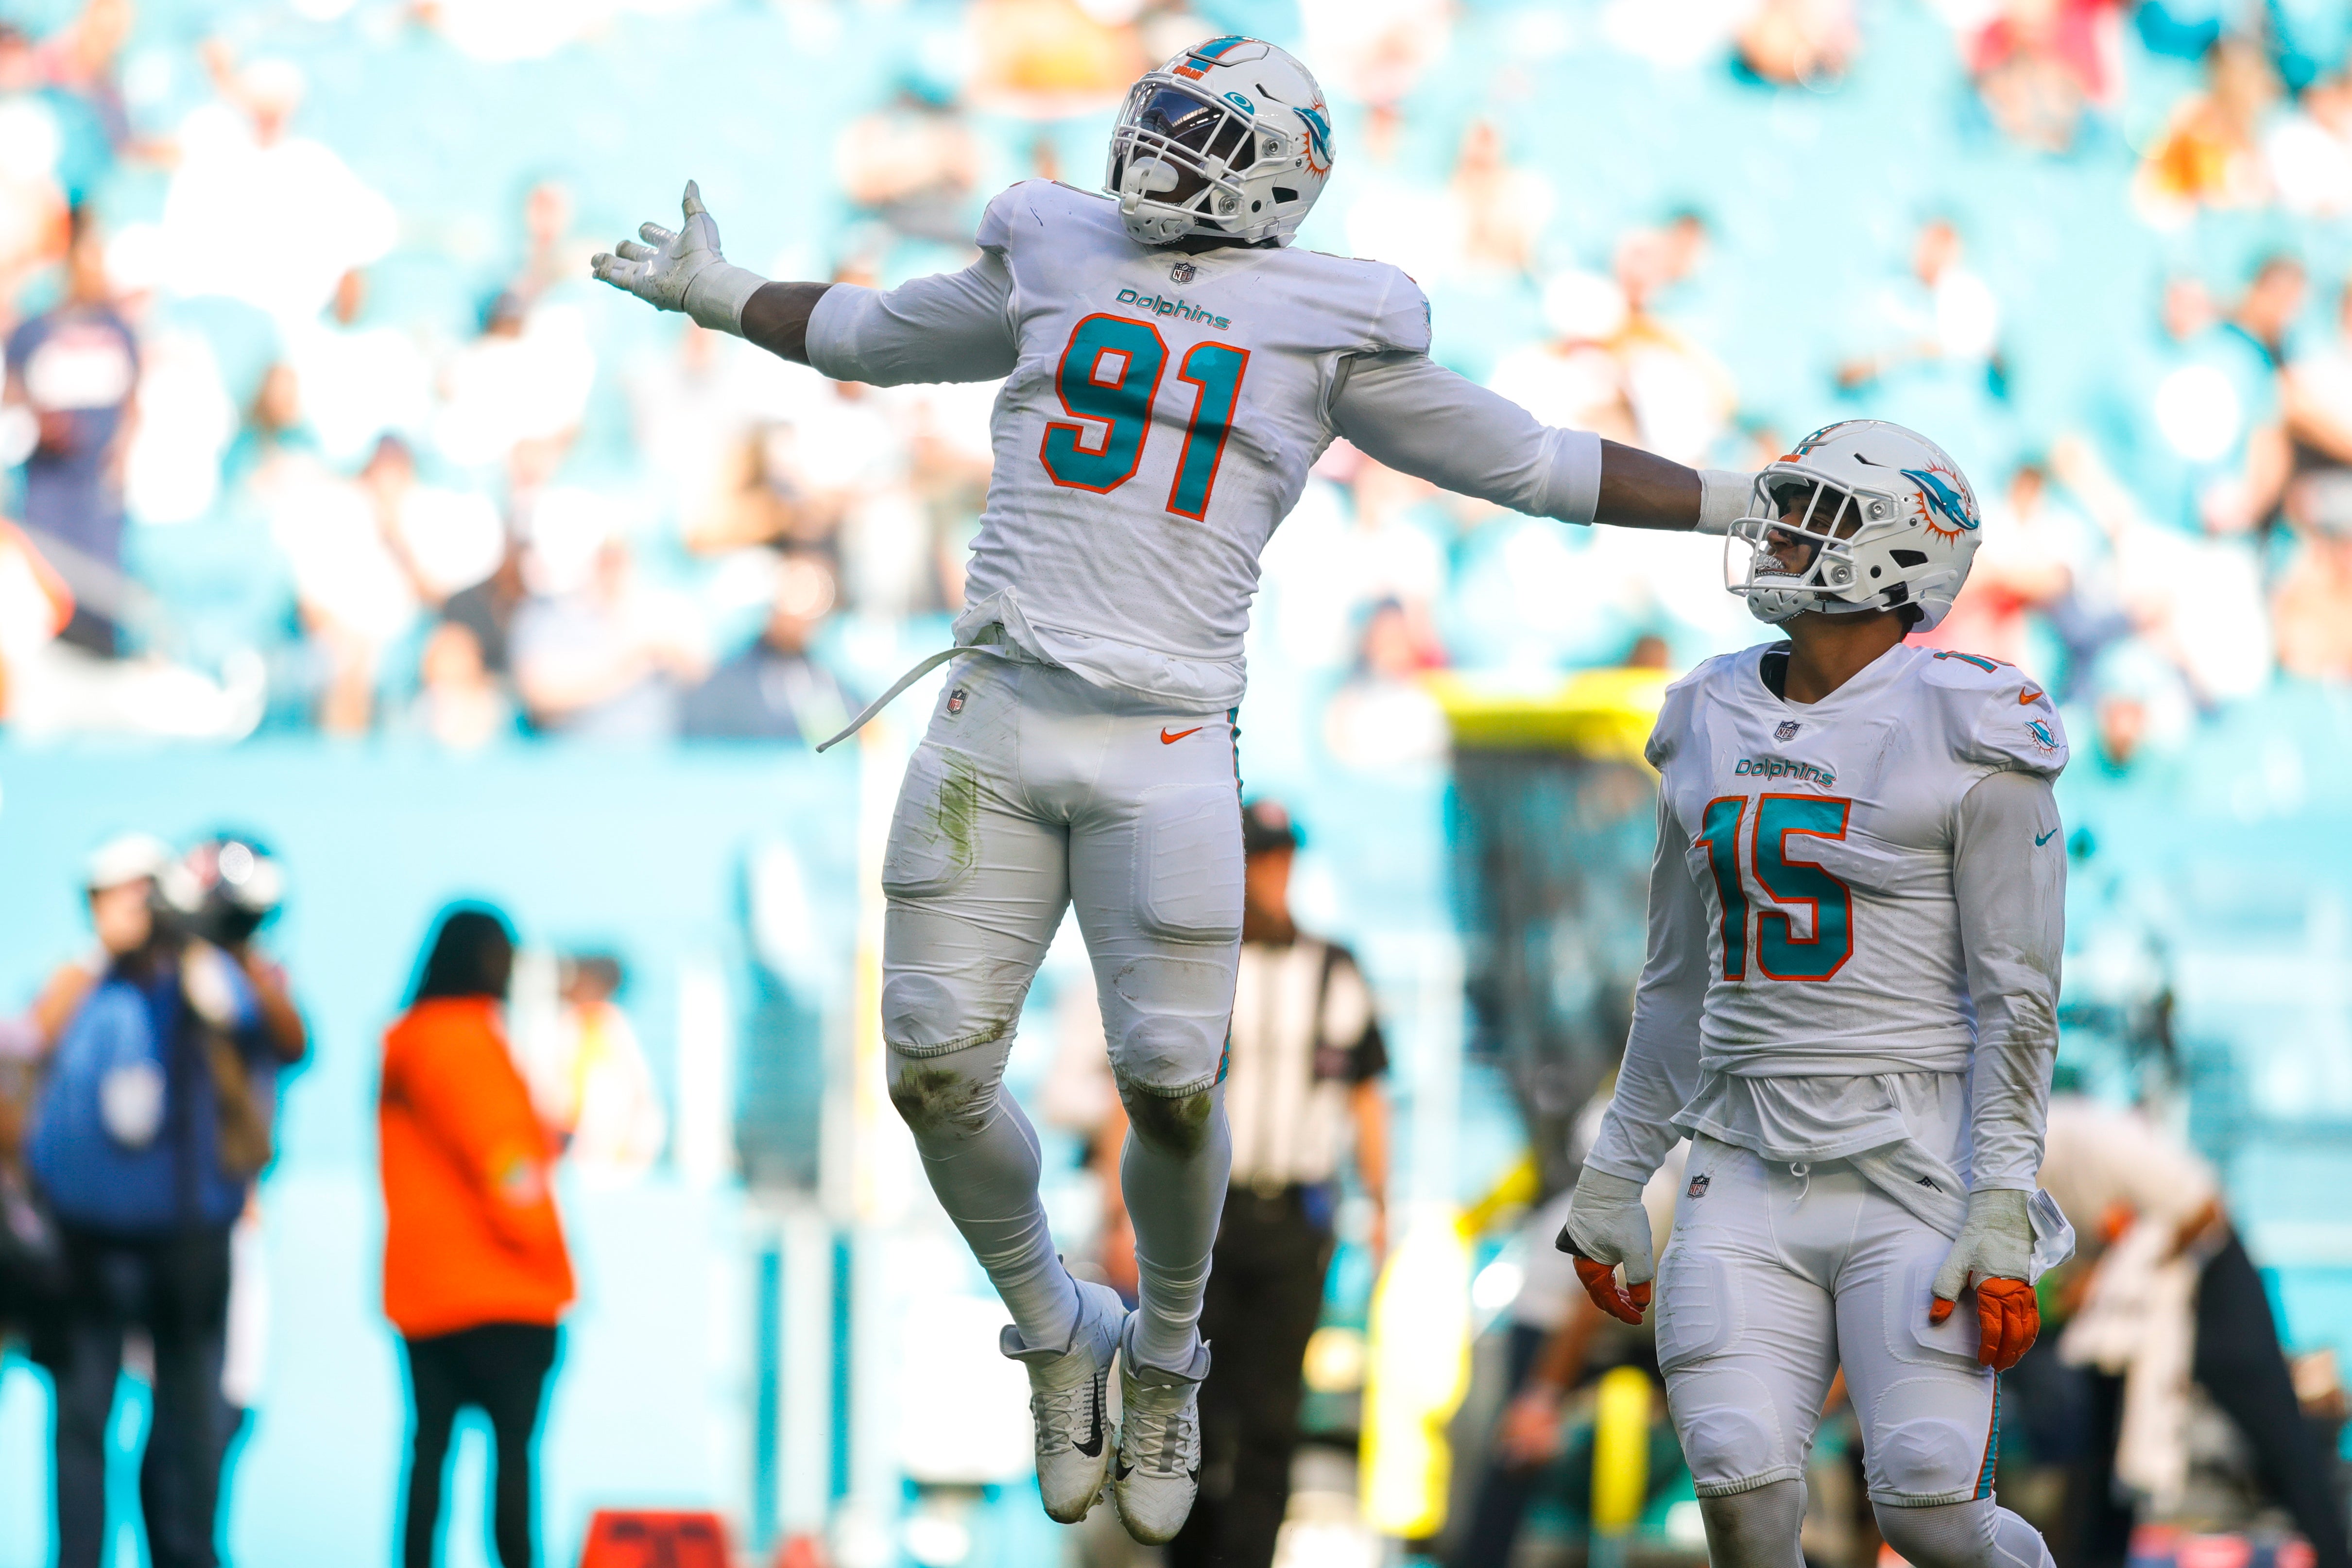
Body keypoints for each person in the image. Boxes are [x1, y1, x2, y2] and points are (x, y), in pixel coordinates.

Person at [591, 34, 1757, 1540]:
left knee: (1167, 1079)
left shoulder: (1326, 317)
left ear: (1273, 178)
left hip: (1163, 742)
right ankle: (1052, 1322)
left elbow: (1528, 461)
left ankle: (1165, 1352)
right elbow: (871, 333)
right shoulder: (1055, 244)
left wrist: (1738, 503)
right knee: (931, 1072)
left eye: (1198, 135)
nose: (1154, 151)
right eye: (1162, 120)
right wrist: (716, 290)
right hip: (997, 712)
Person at [1558, 420, 2075, 1568]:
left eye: (1814, 514)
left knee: (1929, 1508)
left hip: (1915, 1161)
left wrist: (2001, 1197)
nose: (1777, 532)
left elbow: (2017, 998)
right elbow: (1674, 985)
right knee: (1738, 1488)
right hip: (1741, 1155)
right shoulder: (1703, 710)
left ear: (1899, 548)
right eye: (1784, 507)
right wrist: (1613, 1175)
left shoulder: (1970, 720)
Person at [23, 833, 287, 1568]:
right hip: (86, 1244)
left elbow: (277, 1037)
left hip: (187, 1240)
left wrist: (205, 945)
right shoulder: (80, 985)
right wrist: (98, 958)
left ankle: (186, 1552)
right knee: (83, 1417)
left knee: (189, 1417)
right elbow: (30, 1045)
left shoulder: (204, 981)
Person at [1167, 799, 1389, 1568]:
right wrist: (1122, 1210)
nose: (1270, 873)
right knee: (1191, 1403)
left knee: (1272, 1412)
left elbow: (1366, 1090)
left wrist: (1380, 1203)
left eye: (1279, 857)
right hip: (1208, 1218)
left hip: (1295, 1216)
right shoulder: (1201, 969)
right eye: (1257, 857)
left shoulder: (1334, 969)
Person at [2041, 1095, 2352, 1568]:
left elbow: (2203, 1208)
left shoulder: (2091, 1139)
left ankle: (2334, 1554)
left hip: (2213, 1280)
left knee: (2277, 1434)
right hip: (2132, 1304)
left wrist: (2114, 1273)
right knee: (2105, 1450)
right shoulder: (2029, 1165)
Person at [378, 905, 572, 1568]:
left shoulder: (409, 1041)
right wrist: (543, 1244)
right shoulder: (460, 1039)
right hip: (501, 1291)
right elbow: (502, 1157)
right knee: (511, 1462)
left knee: (429, 1454)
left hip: (427, 1293)